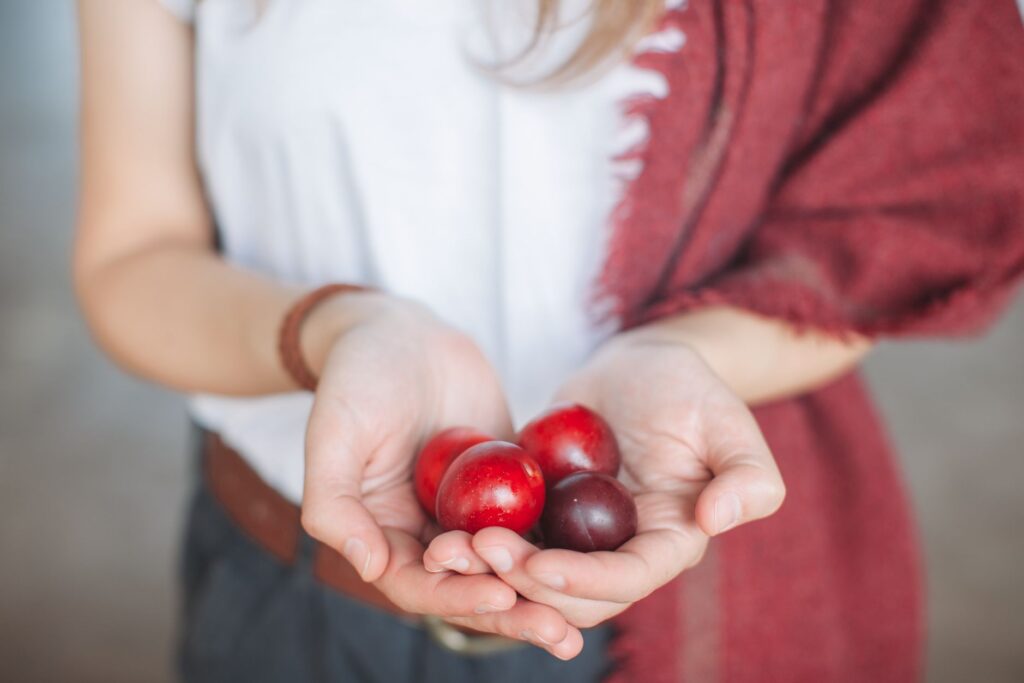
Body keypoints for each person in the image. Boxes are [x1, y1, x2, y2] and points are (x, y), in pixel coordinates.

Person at [74, 0, 1024, 681]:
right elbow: (132, 256)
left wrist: (684, 353)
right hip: (292, 581)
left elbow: (880, 237)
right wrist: (337, 329)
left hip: (698, 592)